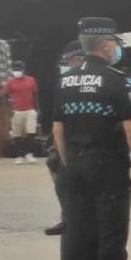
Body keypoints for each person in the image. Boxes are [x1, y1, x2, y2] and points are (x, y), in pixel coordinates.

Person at [52, 18, 131, 260]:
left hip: (73, 166)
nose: (117, 48)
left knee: (74, 238)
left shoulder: (65, 80)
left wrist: (70, 164)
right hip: (107, 166)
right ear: (106, 44)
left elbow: (57, 130)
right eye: (115, 42)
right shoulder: (115, 80)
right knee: (111, 239)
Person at [44, 41, 85, 236]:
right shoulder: (66, 80)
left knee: (67, 175)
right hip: (69, 133)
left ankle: (73, 218)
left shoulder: (73, 80)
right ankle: (68, 216)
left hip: (79, 137)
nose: (67, 65)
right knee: (54, 164)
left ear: (78, 59)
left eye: (69, 62)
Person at [2, 60, 40, 165]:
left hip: (30, 110)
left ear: (23, 70)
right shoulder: (10, 82)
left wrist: (38, 109)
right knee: (17, 135)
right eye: (15, 70)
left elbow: (35, 95)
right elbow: (4, 96)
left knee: (31, 133)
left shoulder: (31, 80)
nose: (17, 72)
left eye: (19, 69)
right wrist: (8, 110)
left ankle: (29, 154)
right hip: (16, 111)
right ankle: (19, 155)